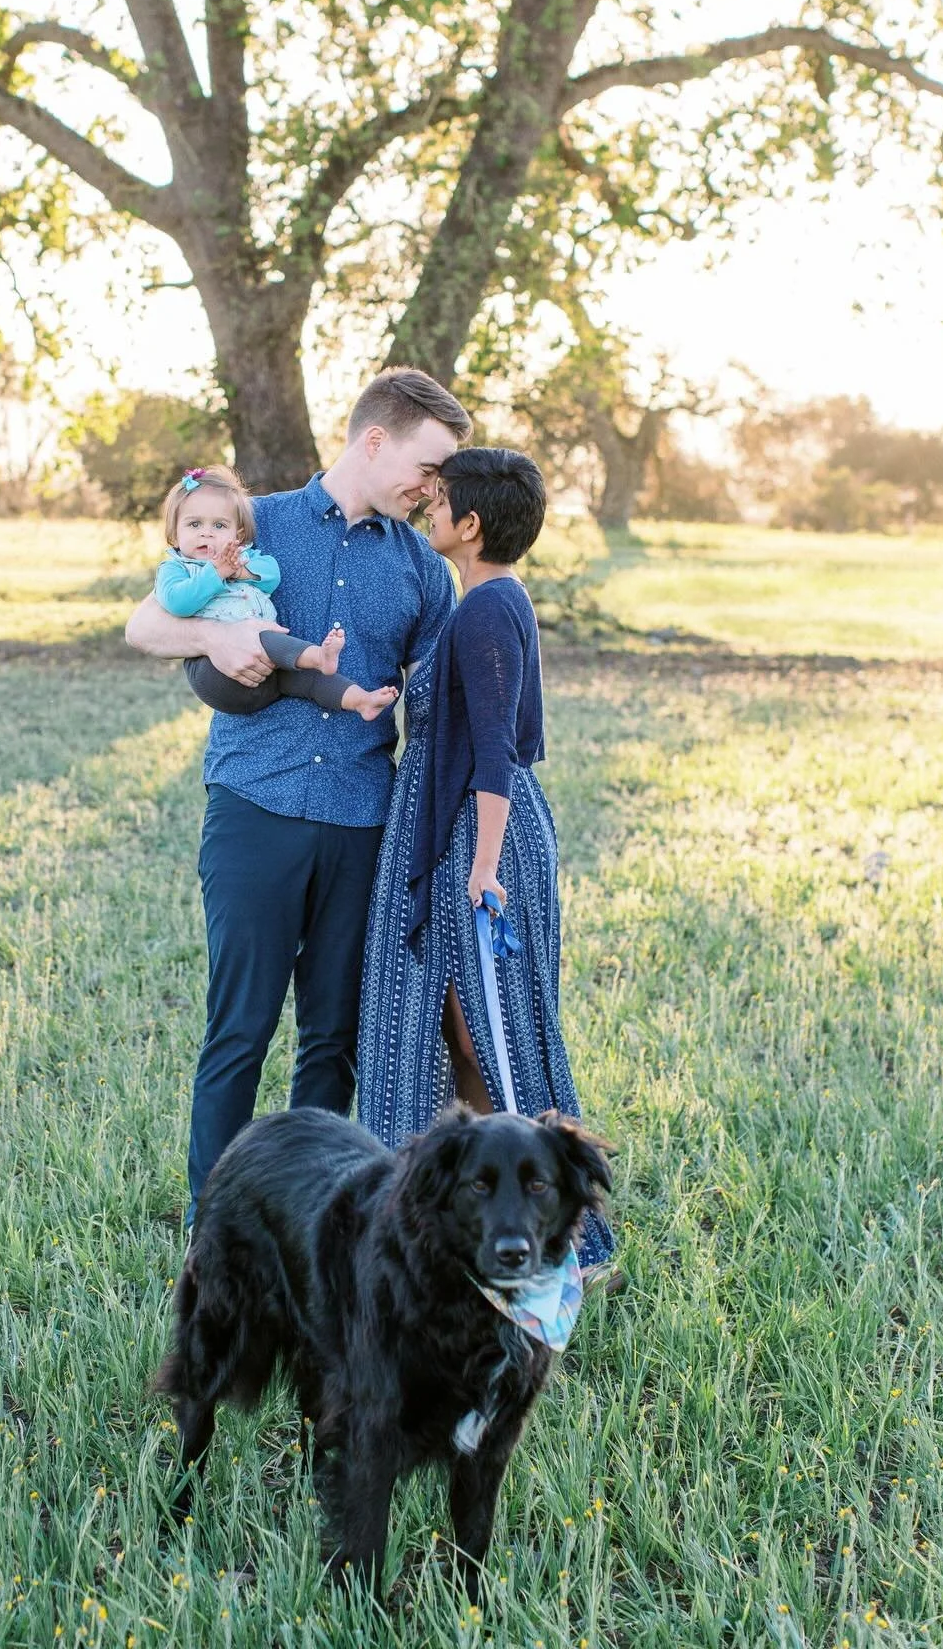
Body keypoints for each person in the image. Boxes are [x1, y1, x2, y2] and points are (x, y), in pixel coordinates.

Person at [125, 368, 471, 1222]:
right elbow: (143, 625)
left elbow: (432, 702)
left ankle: (305, 1220)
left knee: (333, 1042)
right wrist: (217, 631)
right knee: (238, 1030)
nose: (433, 489)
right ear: (375, 440)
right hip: (255, 807)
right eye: (427, 467)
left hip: (362, 821)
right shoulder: (256, 523)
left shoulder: (423, 573)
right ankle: (216, 1230)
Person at [356, 446, 617, 1278]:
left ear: (469, 525)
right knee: (451, 1031)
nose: (428, 510)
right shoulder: (479, 603)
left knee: (487, 1032)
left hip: (480, 834)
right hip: (455, 829)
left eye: (440, 503)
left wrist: (485, 865)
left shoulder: (487, 609)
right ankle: (466, 1217)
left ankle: (558, 1241)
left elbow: (498, 750)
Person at [154, 465, 399, 722]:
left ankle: (360, 700)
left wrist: (239, 571)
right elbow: (177, 602)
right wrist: (215, 573)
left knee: (309, 680)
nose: (207, 533)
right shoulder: (176, 567)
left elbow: (271, 576)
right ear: (175, 534)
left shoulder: (241, 559)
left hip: (267, 672)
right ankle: (318, 655)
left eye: (219, 525)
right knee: (265, 637)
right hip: (216, 675)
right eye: (194, 524)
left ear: (237, 534)